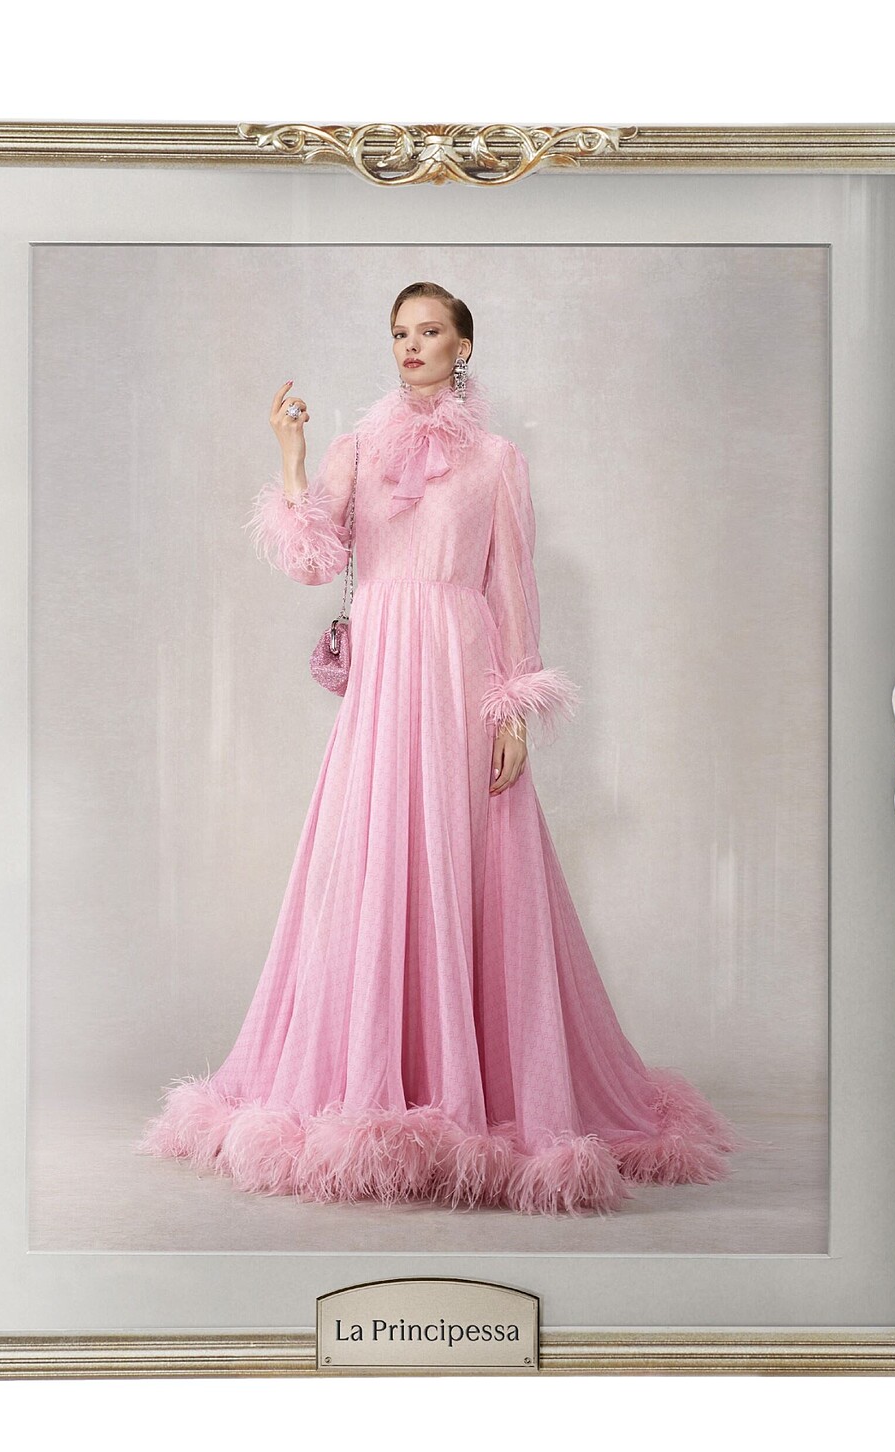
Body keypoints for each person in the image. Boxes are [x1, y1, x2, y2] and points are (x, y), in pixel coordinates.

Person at [138, 281, 747, 1215]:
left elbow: (514, 589)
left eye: (430, 331)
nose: (412, 345)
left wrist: (514, 706)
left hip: (461, 678)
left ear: (463, 346)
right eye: (399, 333)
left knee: (473, 863)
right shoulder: (356, 448)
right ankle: (375, 1085)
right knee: (374, 860)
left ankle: (480, 1087)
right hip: (384, 685)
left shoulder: (498, 462)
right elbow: (311, 560)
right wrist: (292, 460)